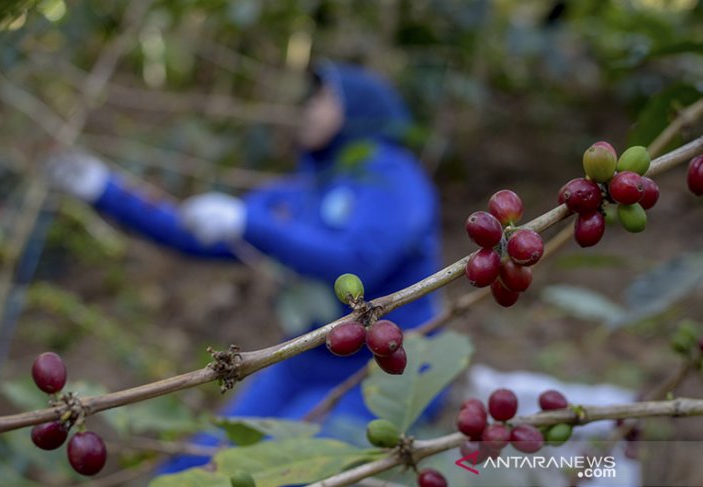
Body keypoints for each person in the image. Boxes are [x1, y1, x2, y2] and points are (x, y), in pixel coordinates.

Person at [47, 61, 443, 472]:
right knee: (196, 466)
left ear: (361, 110)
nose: (310, 108)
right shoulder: (298, 192)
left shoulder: (394, 177)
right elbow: (198, 230)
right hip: (301, 361)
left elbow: (357, 259)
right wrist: (104, 190)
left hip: (383, 375)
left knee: (281, 471)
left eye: (325, 99)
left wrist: (249, 221)